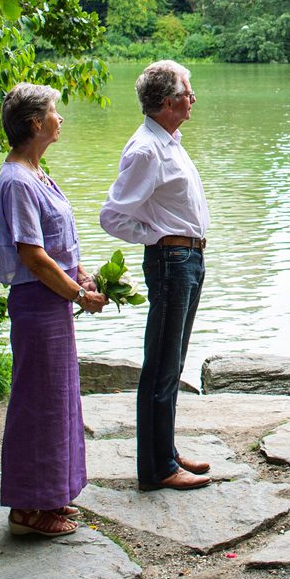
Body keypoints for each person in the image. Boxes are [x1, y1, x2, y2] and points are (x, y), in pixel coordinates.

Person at [0, 84, 107, 536]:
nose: (61, 119)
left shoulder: (39, 172)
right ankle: (27, 508)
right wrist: (76, 295)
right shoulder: (17, 180)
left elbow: (60, 245)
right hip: (37, 302)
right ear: (36, 123)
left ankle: (52, 496)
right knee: (37, 402)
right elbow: (33, 255)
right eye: (55, 112)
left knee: (59, 400)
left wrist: (81, 275)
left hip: (53, 300)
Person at [98, 61, 213, 491]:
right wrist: (158, 237)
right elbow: (112, 216)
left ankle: (164, 450)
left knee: (173, 362)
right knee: (161, 365)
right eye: (188, 93)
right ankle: (156, 467)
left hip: (188, 260)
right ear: (168, 102)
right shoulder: (147, 149)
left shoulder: (167, 141)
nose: (193, 99)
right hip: (172, 261)